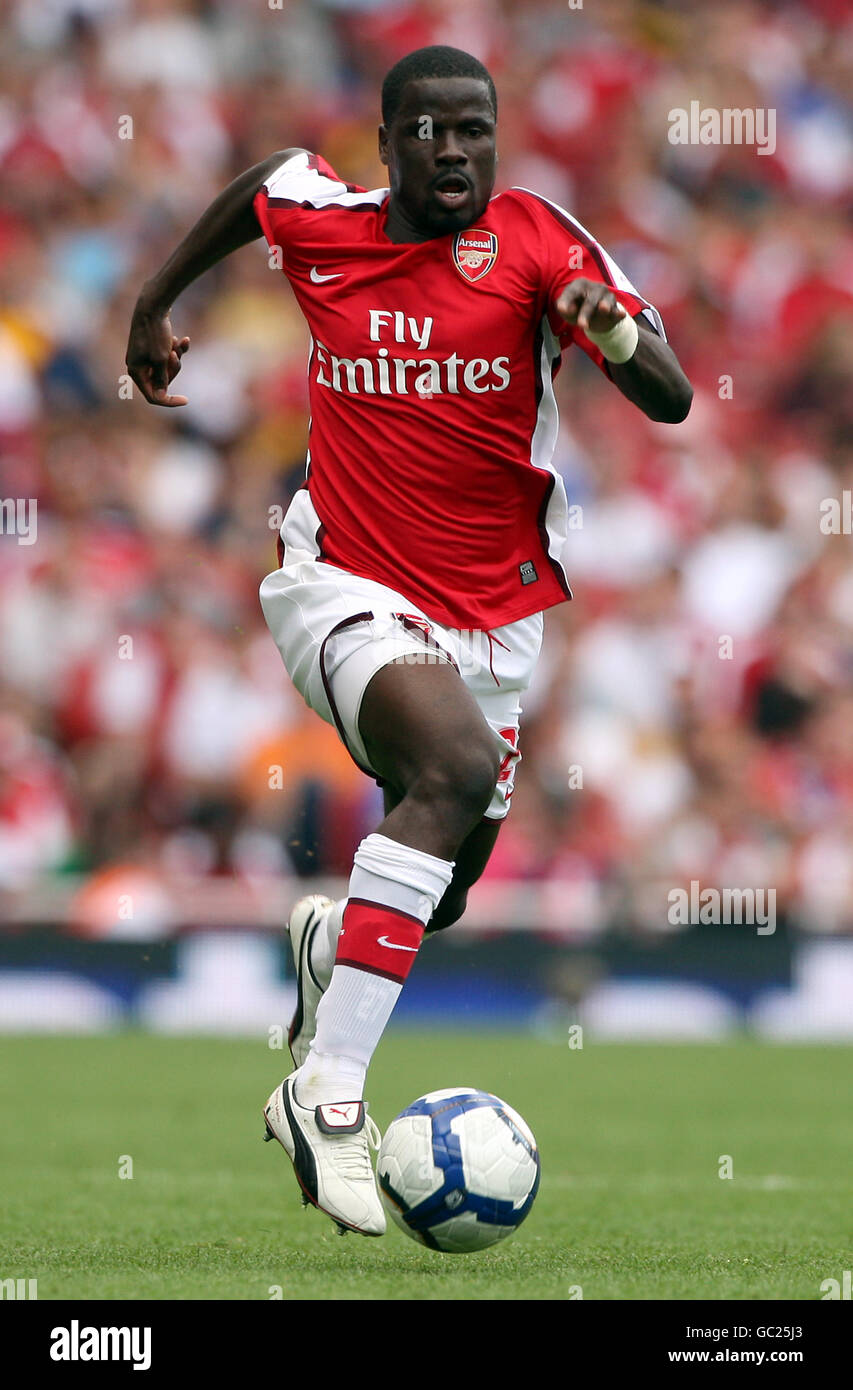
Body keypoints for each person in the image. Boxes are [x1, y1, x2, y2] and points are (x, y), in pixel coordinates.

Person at [126, 45, 692, 1238]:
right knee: (445, 771)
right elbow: (266, 180)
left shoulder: (540, 242)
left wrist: (617, 334)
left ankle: (334, 937)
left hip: (494, 620)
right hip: (337, 581)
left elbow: (675, 398)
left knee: (444, 888)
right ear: (385, 146)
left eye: (473, 130)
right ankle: (325, 1095)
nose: (453, 151)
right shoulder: (327, 223)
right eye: (428, 131)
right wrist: (152, 302)